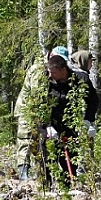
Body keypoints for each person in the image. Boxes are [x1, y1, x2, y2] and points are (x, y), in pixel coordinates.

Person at [14, 46, 68, 181]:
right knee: (26, 141)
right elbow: (39, 98)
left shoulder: (52, 69)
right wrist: (47, 123)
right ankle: (23, 174)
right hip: (28, 110)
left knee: (40, 146)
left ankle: (42, 179)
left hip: (41, 113)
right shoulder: (39, 71)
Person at [69, 50, 100, 138]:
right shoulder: (82, 77)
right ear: (83, 61)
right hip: (81, 120)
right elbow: (90, 99)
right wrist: (87, 119)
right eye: (90, 61)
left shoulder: (72, 74)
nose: (92, 64)